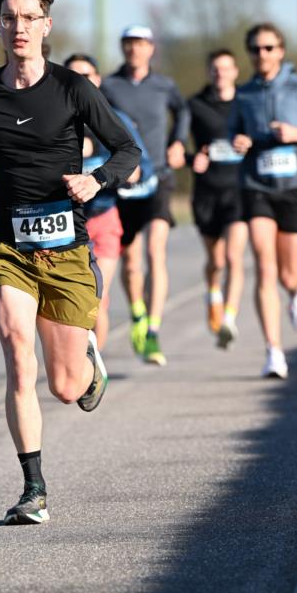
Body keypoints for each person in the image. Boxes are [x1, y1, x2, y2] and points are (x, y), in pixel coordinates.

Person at [0, 0, 140, 525]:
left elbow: (127, 149)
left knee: (65, 387)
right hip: (9, 245)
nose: (18, 26)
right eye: (8, 16)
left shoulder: (74, 89)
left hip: (66, 245)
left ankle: (89, 365)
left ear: (46, 25)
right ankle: (34, 489)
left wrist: (96, 181)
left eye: (28, 17)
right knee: (18, 349)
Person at [229, 22, 297, 379]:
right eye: (256, 49)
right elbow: (233, 133)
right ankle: (274, 351)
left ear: (281, 50)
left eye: (269, 48)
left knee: (288, 271)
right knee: (264, 263)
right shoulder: (243, 94)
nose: (263, 55)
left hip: (293, 187)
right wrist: (239, 142)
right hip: (256, 184)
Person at [101, 25, 190, 367]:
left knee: (156, 251)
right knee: (132, 260)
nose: (134, 50)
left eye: (140, 44)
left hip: (159, 177)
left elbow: (182, 112)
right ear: (122, 48)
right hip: (123, 182)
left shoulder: (164, 86)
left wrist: (179, 142)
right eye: (128, 44)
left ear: (151, 48)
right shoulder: (109, 86)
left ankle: (152, 330)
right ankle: (138, 313)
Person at [63, 53, 141, 351]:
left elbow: (134, 166)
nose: (82, 82)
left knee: (98, 296)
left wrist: (101, 175)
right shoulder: (54, 122)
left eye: (87, 76)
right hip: (64, 225)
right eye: (74, 76)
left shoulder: (111, 118)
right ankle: (74, 359)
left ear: (98, 80)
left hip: (104, 218)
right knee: (71, 300)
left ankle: (94, 362)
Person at [187, 48, 248, 349]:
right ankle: (213, 292)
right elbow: (175, 146)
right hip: (206, 192)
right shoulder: (196, 105)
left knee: (234, 257)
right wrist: (191, 158)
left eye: (226, 68)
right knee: (216, 260)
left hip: (238, 191)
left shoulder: (246, 103)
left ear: (236, 71)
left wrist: (249, 144)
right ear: (209, 73)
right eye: (215, 68)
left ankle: (229, 319)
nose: (220, 73)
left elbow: (260, 139)